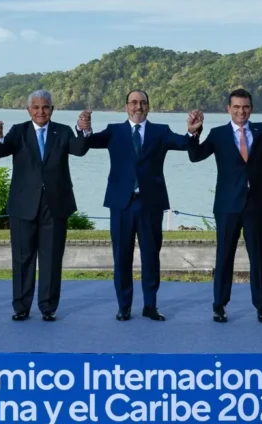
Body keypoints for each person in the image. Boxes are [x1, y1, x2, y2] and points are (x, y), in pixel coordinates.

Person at [77, 90, 201, 321]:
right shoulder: (114, 131)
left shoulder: (160, 132)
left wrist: (192, 132)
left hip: (150, 204)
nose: (138, 106)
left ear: (148, 107)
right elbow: (89, 142)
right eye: (133, 103)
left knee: (151, 257)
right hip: (121, 205)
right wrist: (84, 128)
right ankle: (124, 306)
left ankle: (150, 306)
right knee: (121, 257)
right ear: (126, 106)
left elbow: (184, 143)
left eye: (142, 103)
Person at [186, 89, 262, 323]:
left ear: (251, 108)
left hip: (256, 204)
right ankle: (219, 305)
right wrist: (193, 133)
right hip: (227, 205)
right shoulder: (218, 134)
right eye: (237, 107)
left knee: (258, 257)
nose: (242, 111)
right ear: (228, 109)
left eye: (246, 107)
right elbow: (195, 156)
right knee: (224, 257)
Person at [0, 90, 90, 321]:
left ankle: (48, 308)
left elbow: (80, 150)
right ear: (29, 110)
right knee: (22, 258)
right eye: (36, 107)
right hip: (23, 206)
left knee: (51, 259)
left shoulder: (62, 131)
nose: (41, 111)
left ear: (52, 109)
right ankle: (21, 307)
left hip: (55, 205)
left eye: (45, 107)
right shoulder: (18, 131)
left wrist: (83, 129)